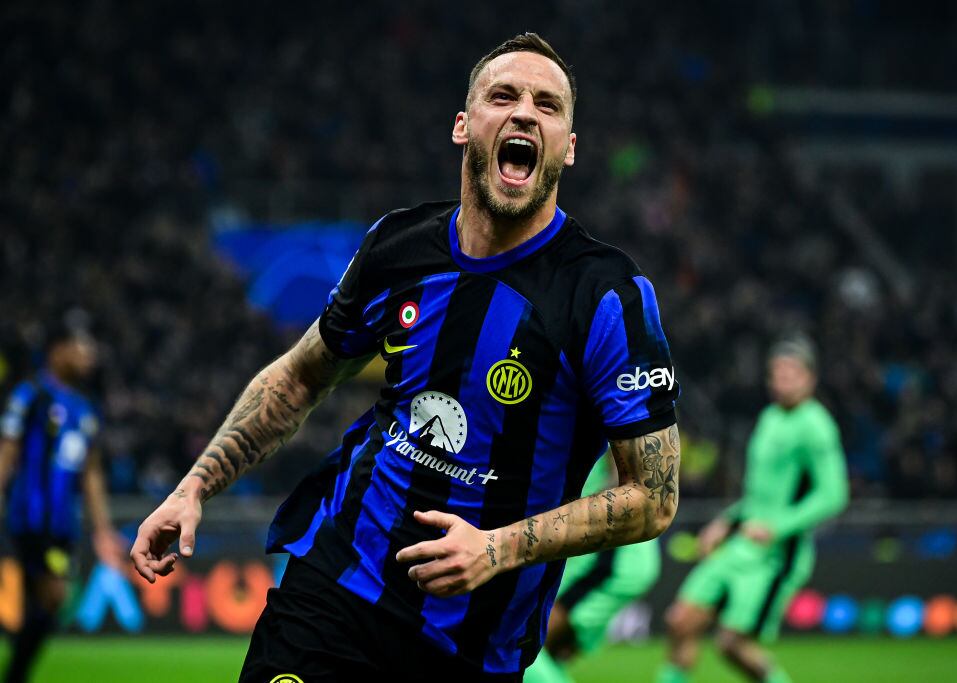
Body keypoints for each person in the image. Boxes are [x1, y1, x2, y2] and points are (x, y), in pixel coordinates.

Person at [131, 33, 681, 683]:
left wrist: (498, 547)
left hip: (471, 646)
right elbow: (301, 375)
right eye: (502, 95)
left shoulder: (607, 294)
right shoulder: (398, 245)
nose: (524, 112)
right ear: (463, 125)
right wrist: (194, 486)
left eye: (548, 104)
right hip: (335, 591)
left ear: (568, 146)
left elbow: (655, 494)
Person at [657, 336, 849, 683]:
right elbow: (760, 495)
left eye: (792, 372)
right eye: (777, 372)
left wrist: (777, 527)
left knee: (732, 644)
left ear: (810, 378)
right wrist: (725, 523)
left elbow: (833, 495)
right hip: (740, 542)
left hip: (775, 553)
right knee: (680, 622)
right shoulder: (770, 417)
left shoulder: (816, 426)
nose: (783, 379)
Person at [0, 320, 123, 683]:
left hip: (62, 524)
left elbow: (92, 473)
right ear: (58, 350)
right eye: (81, 346)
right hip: (31, 519)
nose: (90, 355)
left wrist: (102, 530)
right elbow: (7, 450)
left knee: (44, 607)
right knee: (52, 598)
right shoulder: (31, 396)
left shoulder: (85, 409)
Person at [524, 452, 661, 683]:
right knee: (547, 653)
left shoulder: (615, 420)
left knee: (526, 642)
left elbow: (627, 476)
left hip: (610, 554)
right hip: (599, 550)